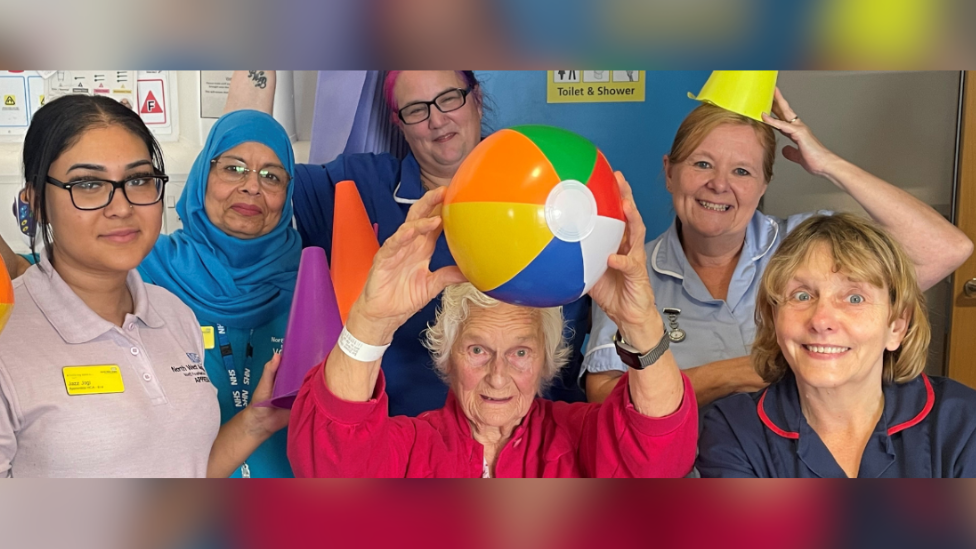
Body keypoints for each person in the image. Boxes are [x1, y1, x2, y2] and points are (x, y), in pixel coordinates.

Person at [226, 70, 590, 416]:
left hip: (521, 443)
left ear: (476, 99)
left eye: (449, 99)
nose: (437, 120)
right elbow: (249, 175)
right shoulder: (361, 182)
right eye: (417, 109)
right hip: (397, 438)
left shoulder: (545, 189)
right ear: (398, 123)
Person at [287, 173, 697, 478]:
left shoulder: (581, 438)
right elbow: (328, 465)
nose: (498, 377)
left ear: (545, 362)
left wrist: (641, 322)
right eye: (478, 350)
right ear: (448, 358)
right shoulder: (412, 447)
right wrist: (370, 321)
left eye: (520, 353)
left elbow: (661, 456)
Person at [583, 89, 973, 406]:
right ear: (669, 172)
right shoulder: (632, 270)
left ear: (764, 185)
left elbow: (945, 250)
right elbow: (602, 397)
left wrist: (828, 164)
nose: (720, 184)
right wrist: (733, 373)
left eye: (742, 171)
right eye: (702, 164)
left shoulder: (812, 247)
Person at [1, 108, 300, 478]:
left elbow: (184, 468)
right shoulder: (8, 336)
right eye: (89, 185)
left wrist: (256, 423)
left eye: (139, 179)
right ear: (37, 201)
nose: (123, 207)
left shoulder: (172, 313)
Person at [696, 213, 976, 478]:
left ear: (897, 326)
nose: (821, 320)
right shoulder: (735, 429)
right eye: (802, 295)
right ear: (774, 318)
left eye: (854, 298)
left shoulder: (962, 421)